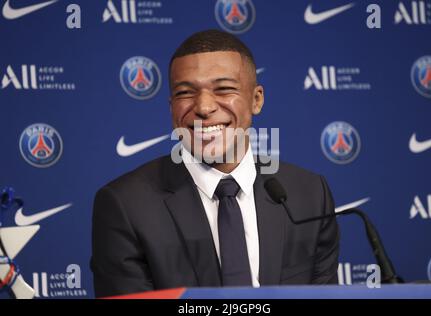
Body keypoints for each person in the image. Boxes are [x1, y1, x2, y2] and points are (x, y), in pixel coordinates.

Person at [91, 29, 339, 298]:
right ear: (171, 106)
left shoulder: (310, 193)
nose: (204, 107)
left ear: (256, 99)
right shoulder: (125, 205)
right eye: (186, 93)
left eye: (223, 89)